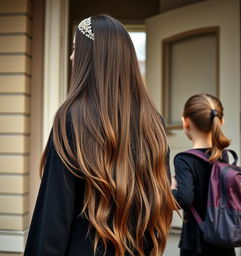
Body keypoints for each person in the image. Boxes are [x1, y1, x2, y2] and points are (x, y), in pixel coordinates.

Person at [24, 15, 178, 256]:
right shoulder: (153, 122)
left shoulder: (71, 119)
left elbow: (52, 219)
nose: (72, 56)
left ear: (93, 57)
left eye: (77, 49)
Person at [171, 93, 236, 256]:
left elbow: (185, 198)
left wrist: (172, 190)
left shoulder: (184, 159)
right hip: (223, 239)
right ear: (220, 122)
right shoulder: (223, 156)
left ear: (185, 122)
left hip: (196, 243)